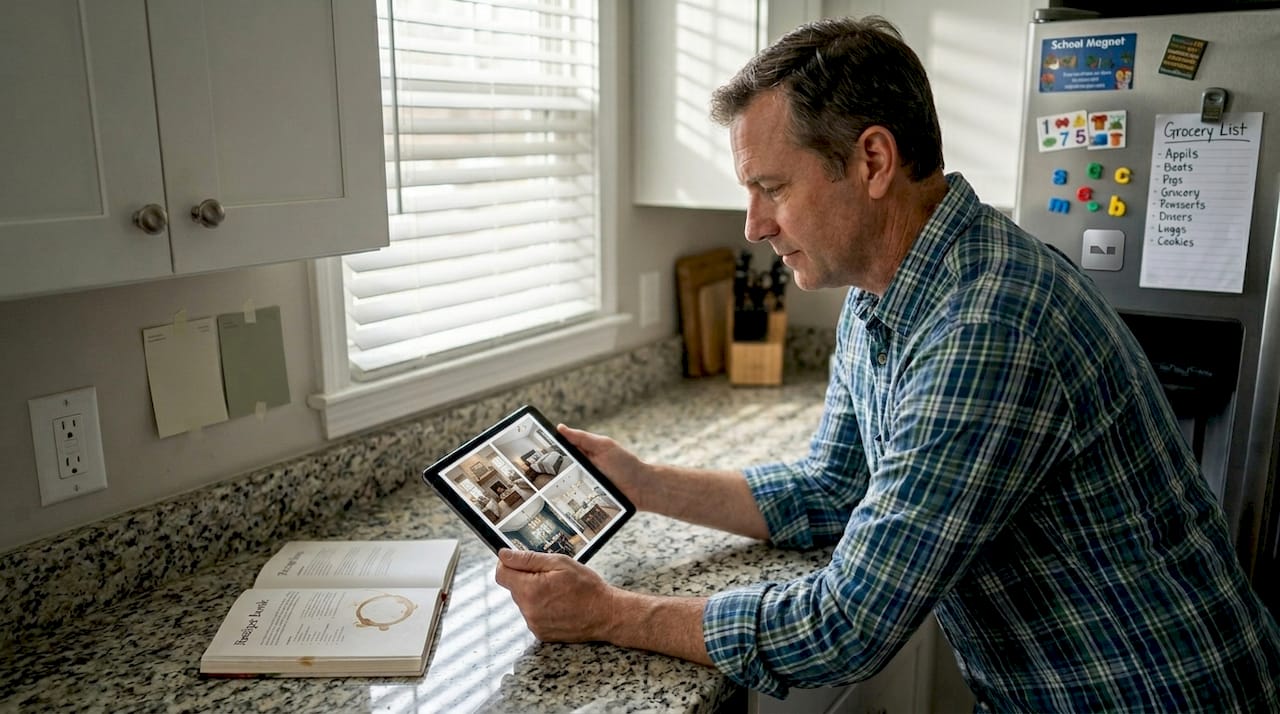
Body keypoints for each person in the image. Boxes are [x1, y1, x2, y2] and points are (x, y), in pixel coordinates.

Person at [495, 16, 1280, 711]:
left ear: (873, 160)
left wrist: (609, 614)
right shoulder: (884, 291)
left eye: (773, 187)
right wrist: (643, 483)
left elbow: (847, 626)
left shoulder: (986, 326)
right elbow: (836, 487)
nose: (754, 224)